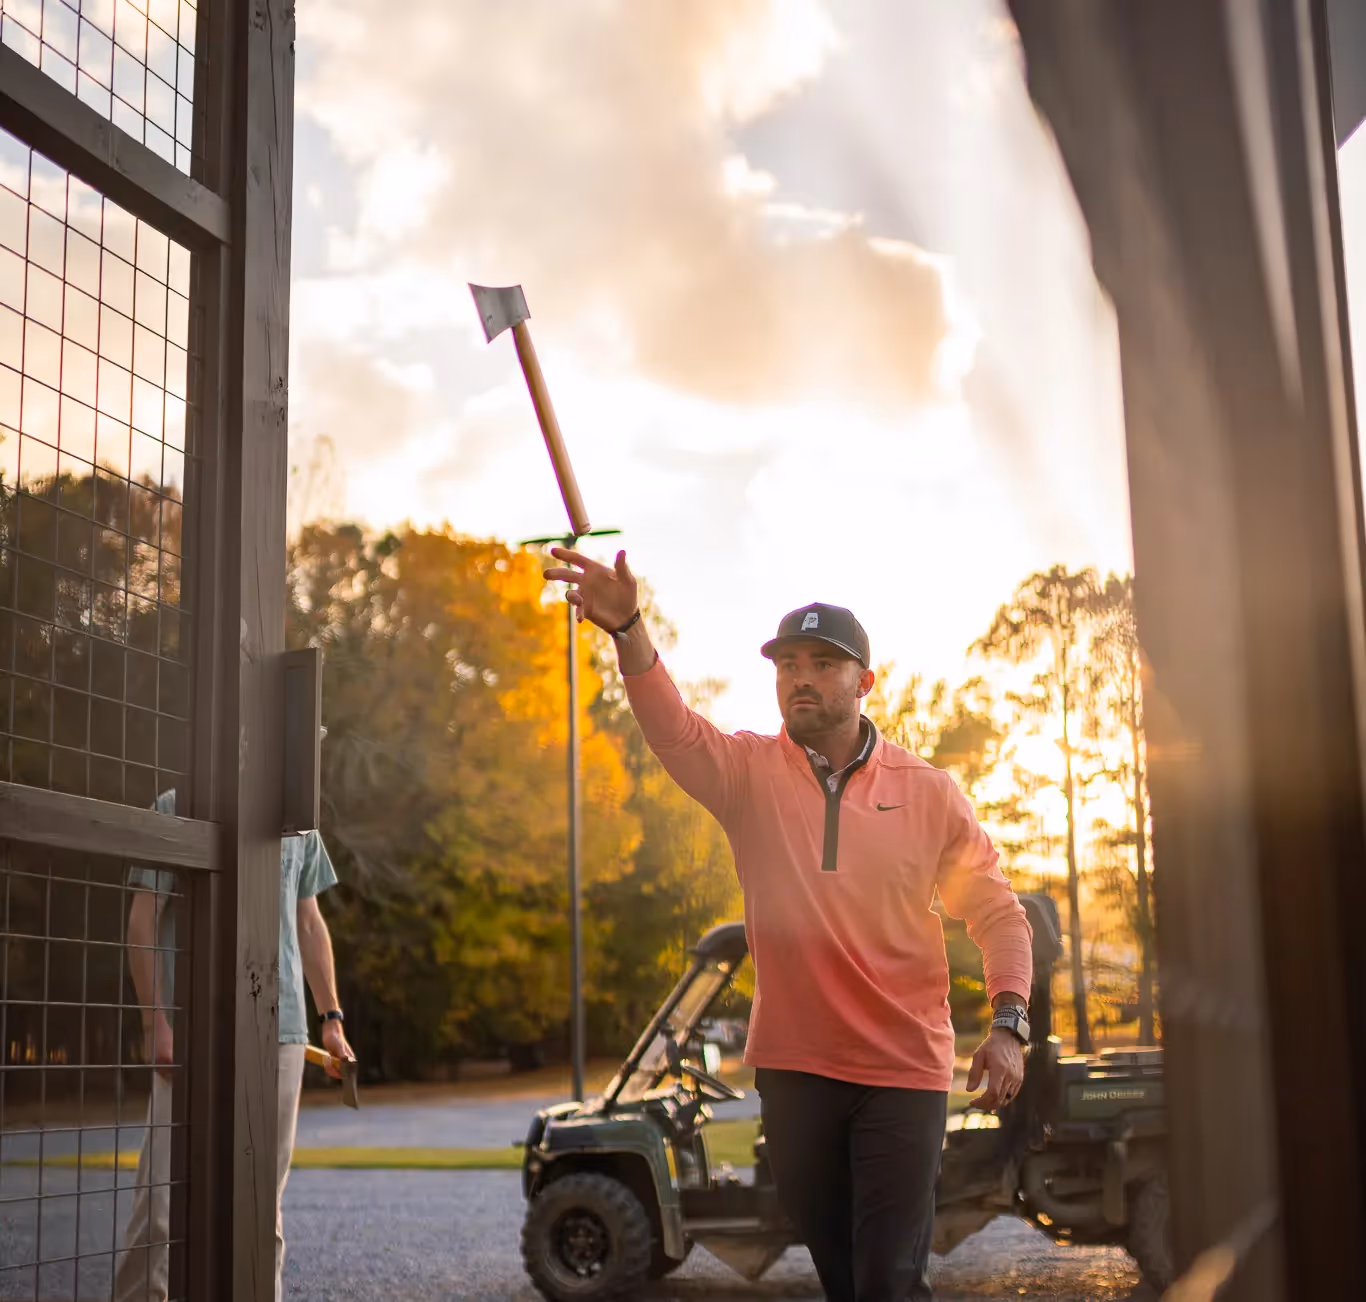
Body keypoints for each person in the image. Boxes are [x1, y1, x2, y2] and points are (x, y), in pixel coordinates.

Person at [544, 549, 1034, 1302]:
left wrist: (1008, 1024)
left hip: (903, 1070)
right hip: (795, 1072)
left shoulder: (930, 793)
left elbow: (998, 912)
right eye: (787, 664)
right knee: (843, 1278)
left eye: (823, 664)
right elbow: (674, 731)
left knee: (888, 1281)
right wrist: (629, 628)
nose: (799, 677)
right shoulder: (747, 775)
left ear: (866, 682)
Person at [113, 789, 353, 1302]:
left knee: (262, 1203)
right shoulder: (179, 804)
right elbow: (143, 918)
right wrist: (155, 1024)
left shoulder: (299, 820)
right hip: (192, 1028)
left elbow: (309, 922)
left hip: (283, 1031)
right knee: (161, 1201)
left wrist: (331, 1018)